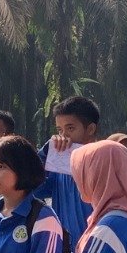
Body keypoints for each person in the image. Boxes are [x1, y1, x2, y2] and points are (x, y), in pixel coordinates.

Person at [41, 96, 101, 241]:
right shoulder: (57, 167)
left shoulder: (104, 164)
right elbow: (31, 185)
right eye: (59, 130)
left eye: (70, 128)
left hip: (96, 246)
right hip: (65, 251)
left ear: (91, 129)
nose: (63, 136)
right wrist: (45, 153)